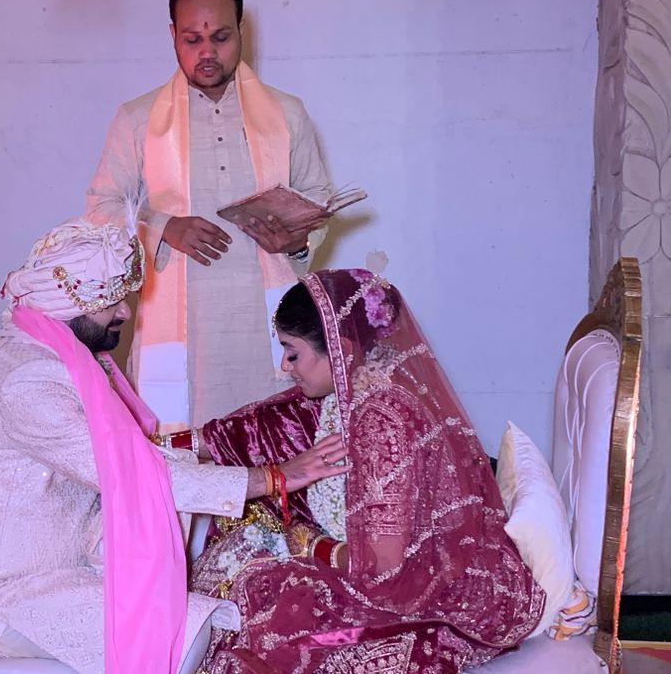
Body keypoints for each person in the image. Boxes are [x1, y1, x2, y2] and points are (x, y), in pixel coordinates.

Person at [0, 220, 348, 674]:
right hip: (0, 596)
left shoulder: (50, 356)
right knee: (184, 634)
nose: (126, 314)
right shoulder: (29, 382)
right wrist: (275, 477)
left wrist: (228, 463)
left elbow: (135, 458)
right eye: (112, 301)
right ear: (70, 304)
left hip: (62, 566)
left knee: (220, 602)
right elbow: (131, 473)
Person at [180, 269, 545, 673]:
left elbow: (385, 567)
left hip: (412, 591)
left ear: (341, 349)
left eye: (292, 352)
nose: (284, 365)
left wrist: (307, 544)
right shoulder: (350, 387)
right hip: (371, 562)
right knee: (245, 541)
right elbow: (257, 426)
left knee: (264, 598)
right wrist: (151, 443)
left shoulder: (381, 418)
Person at [86, 0, 334, 428]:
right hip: (183, 327)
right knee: (184, 451)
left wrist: (295, 241)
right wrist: (164, 228)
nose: (206, 52)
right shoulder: (138, 119)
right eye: (191, 39)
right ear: (172, 36)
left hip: (267, 323)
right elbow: (101, 207)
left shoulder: (287, 112)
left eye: (220, 36)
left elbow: (317, 196)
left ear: (241, 31)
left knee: (276, 442)